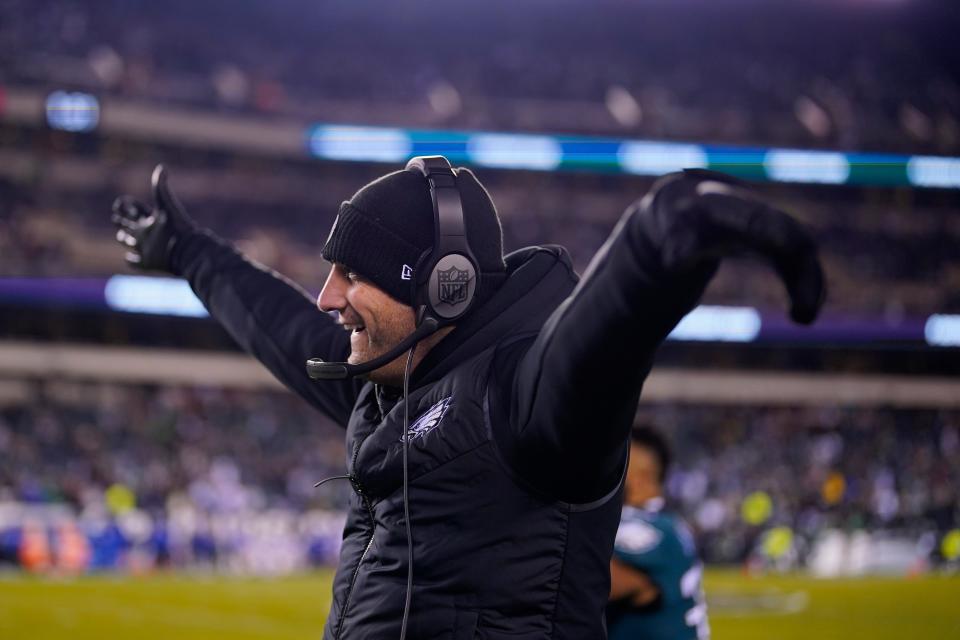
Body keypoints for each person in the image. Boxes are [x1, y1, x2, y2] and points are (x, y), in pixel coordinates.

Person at [111, 158, 824, 639]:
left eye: (352, 274)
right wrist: (189, 253)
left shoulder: (527, 401)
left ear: (442, 285)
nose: (329, 297)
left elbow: (601, 341)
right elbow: (281, 326)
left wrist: (661, 234)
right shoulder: (390, 388)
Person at [607, 426, 709, 640]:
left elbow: (594, 579)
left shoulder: (647, 528)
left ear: (640, 477)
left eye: (614, 464)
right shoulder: (668, 525)